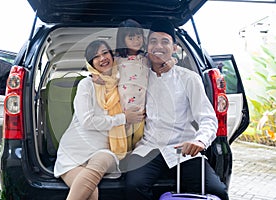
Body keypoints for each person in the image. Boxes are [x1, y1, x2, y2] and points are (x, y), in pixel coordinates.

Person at [124, 20, 229, 200]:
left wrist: (200, 141)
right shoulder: (139, 75)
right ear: (147, 48)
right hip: (149, 148)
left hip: (183, 149)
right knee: (134, 187)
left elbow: (208, 118)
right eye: (153, 41)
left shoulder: (189, 78)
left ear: (174, 47)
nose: (158, 46)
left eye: (165, 42)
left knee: (217, 191)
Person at [54, 40, 144, 200]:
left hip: (103, 151)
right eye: (96, 56)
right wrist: (123, 118)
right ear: (91, 63)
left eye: (105, 53)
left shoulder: (121, 85)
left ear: (112, 55)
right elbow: (87, 121)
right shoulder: (86, 84)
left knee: (104, 158)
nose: (102, 58)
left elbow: (141, 70)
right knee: (91, 194)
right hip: (73, 153)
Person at [93, 19, 174, 152]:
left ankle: (134, 165)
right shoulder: (117, 60)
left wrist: (171, 61)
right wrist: (96, 77)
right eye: (131, 38)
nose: (137, 40)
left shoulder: (146, 58)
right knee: (122, 143)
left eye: (139, 37)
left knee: (138, 143)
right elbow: (102, 68)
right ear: (122, 40)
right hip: (123, 112)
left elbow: (164, 59)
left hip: (142, 113)